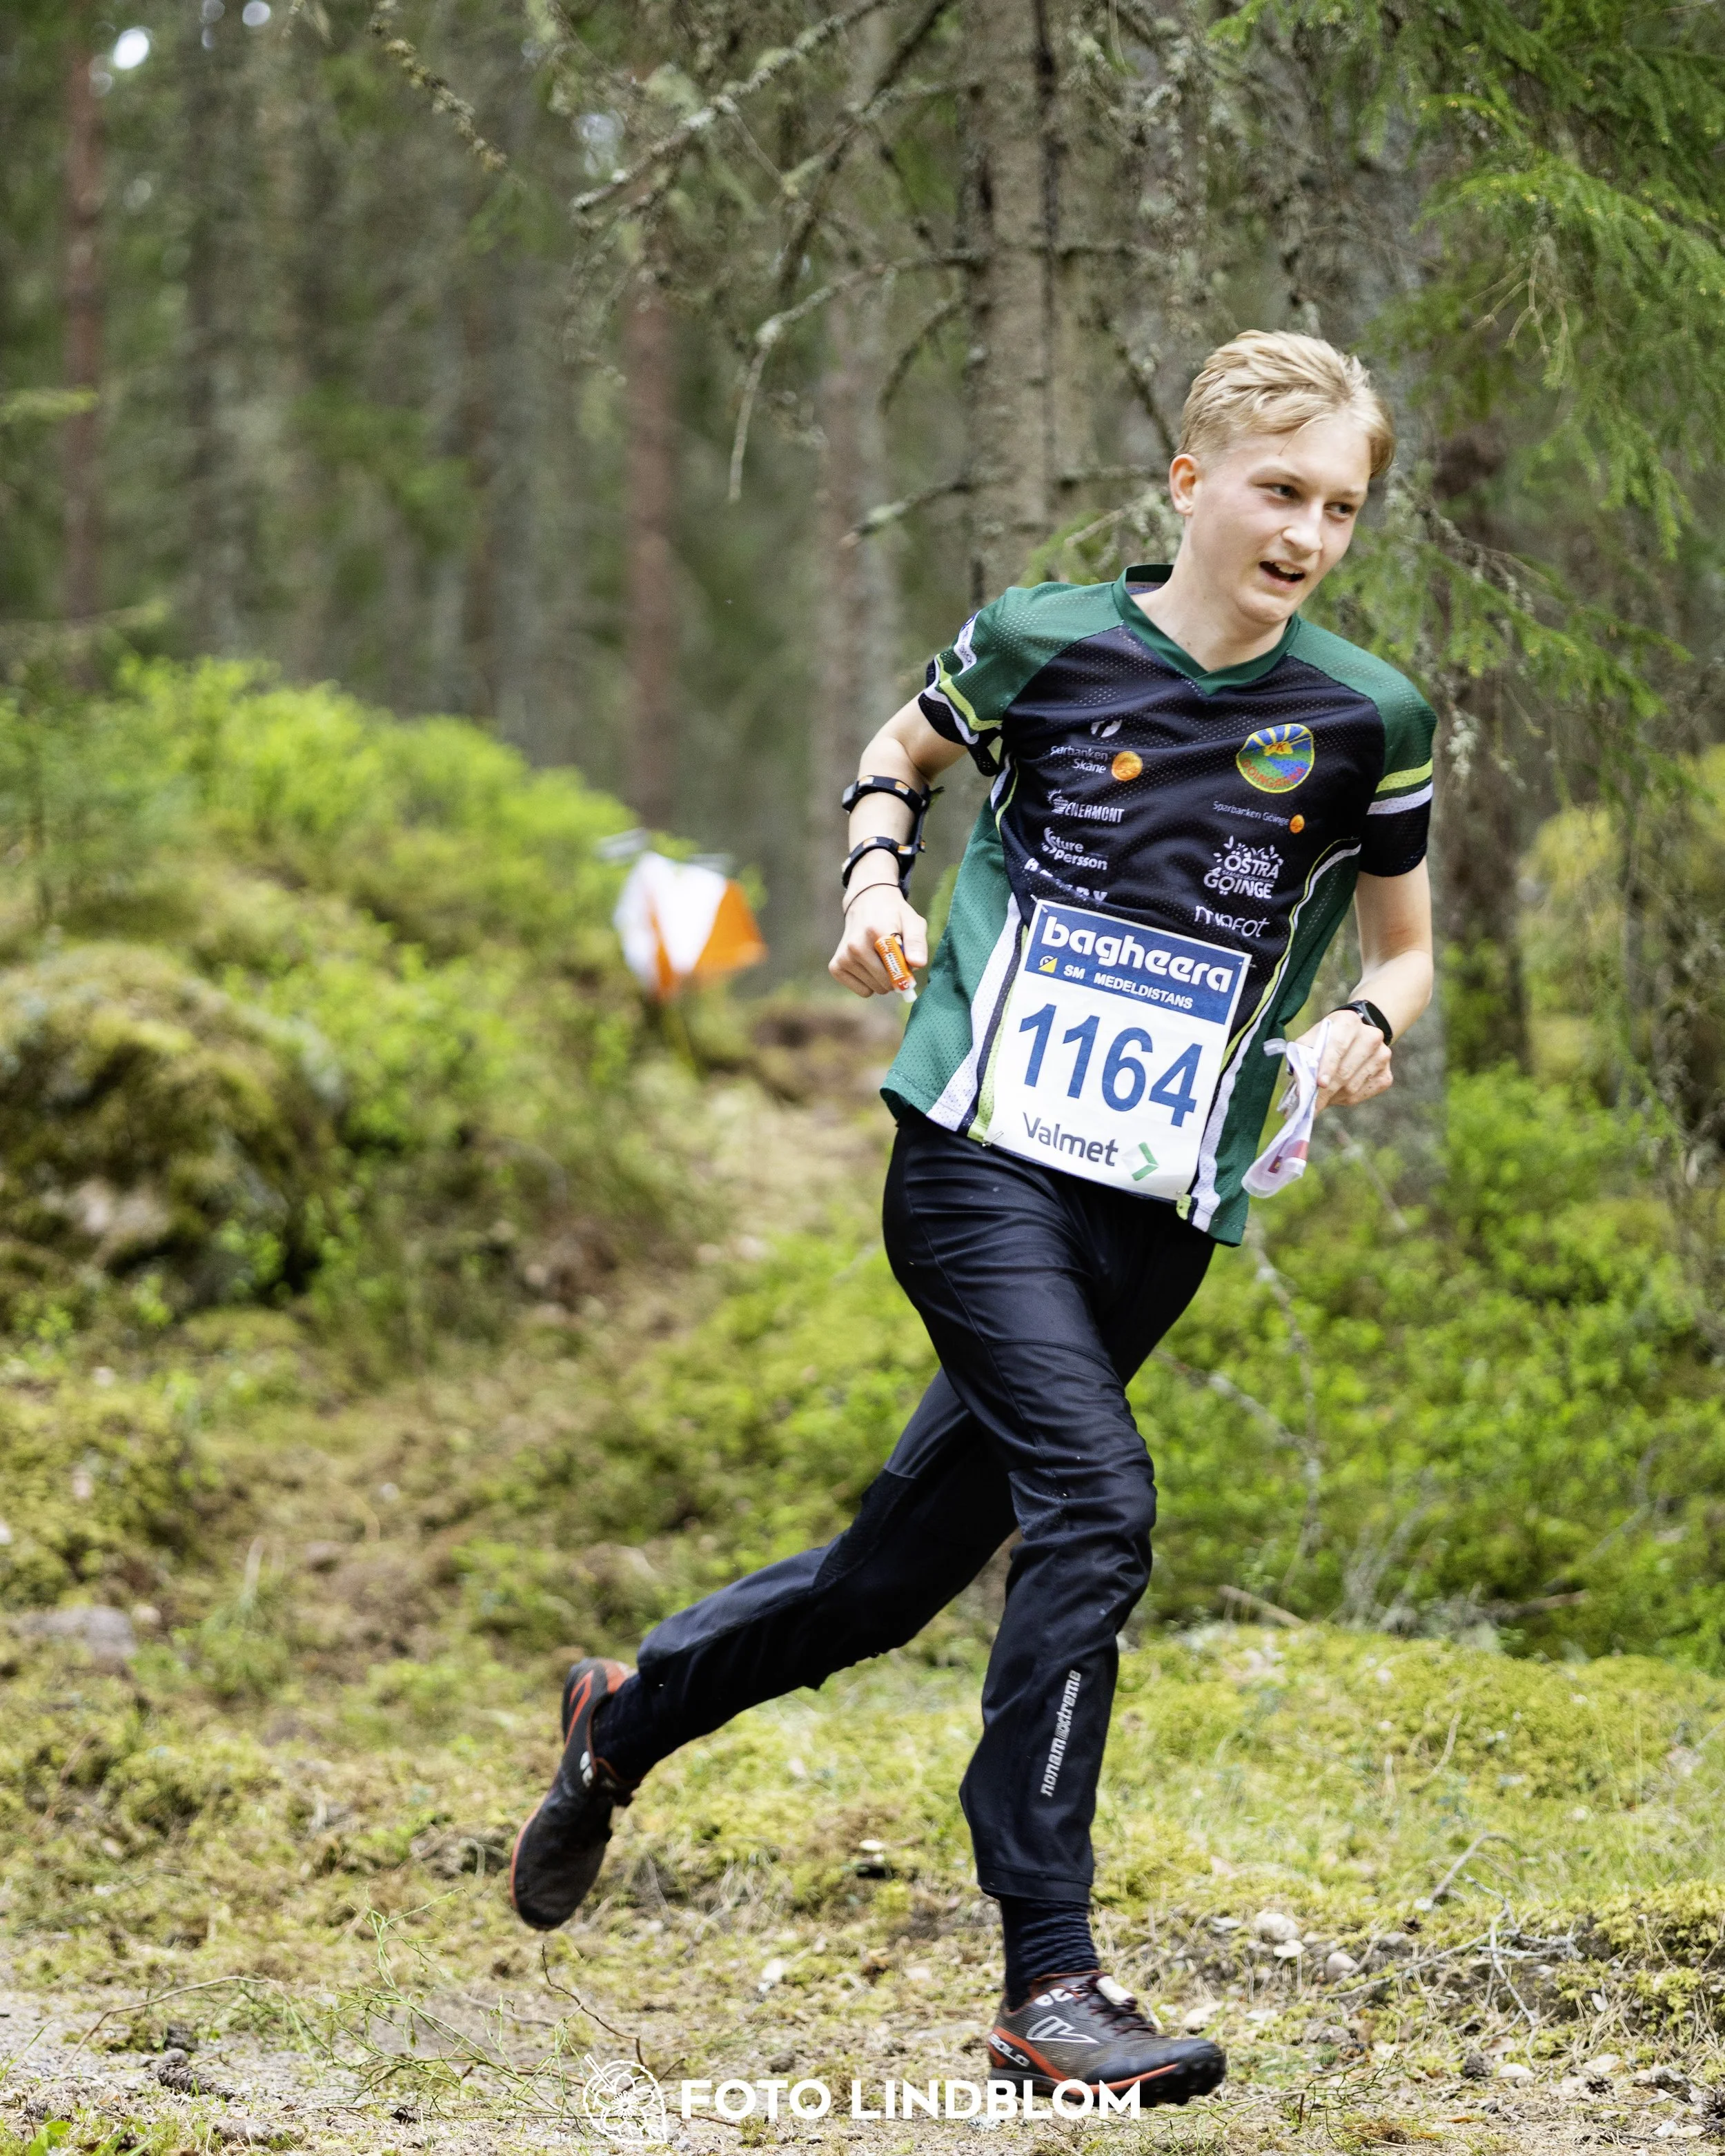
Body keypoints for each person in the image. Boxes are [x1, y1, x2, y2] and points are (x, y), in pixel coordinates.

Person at [508, 330, 1435, 2107]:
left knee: (884, 1579)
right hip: (973, 1157)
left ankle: (622, 1717)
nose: (1307, 530)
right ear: (1190, 483)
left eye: (1338, 504)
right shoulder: (1041, 638)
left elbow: (1401, 948)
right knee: (1096, 1495)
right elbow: (897, 751)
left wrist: (1357, 1030)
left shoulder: (1363, 717)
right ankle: (1048, 1976)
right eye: (1276, 490)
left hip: (1153, 1210)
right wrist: (870, 880)